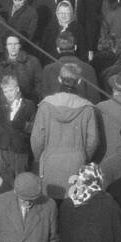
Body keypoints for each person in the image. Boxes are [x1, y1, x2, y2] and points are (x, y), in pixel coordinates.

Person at [31, 63, 100, 202]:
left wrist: (40, 158)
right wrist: (83, 155)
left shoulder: (45, 105)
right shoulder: (87, 108)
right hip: (77, 162)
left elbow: (37, 139)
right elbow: (93, 140)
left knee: (50, 204)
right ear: (80, 81)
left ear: (59, 79)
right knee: (74, 205)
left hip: (50, 161)